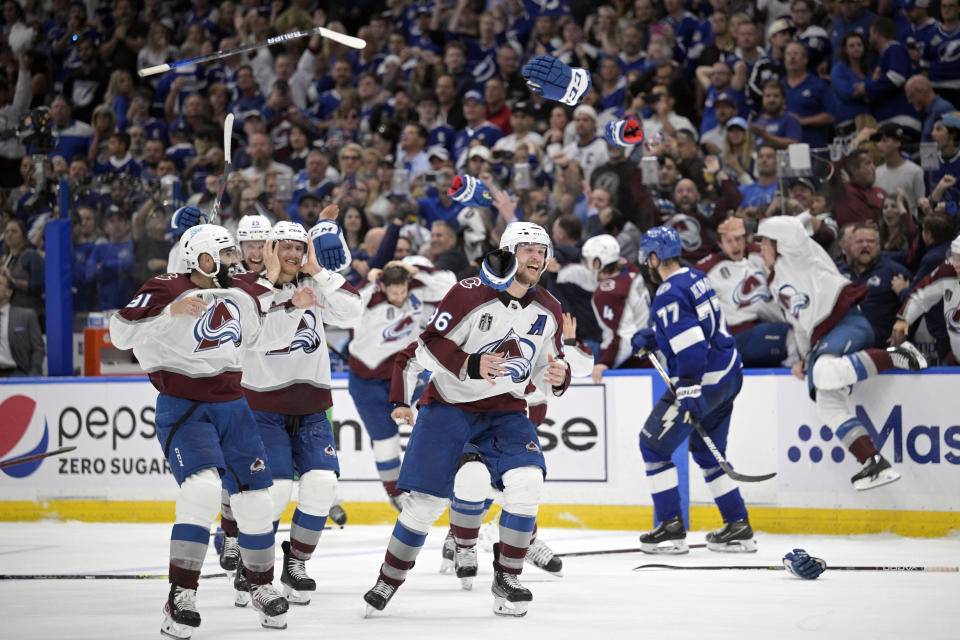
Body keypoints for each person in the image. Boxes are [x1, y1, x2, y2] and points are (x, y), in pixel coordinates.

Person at [109, 225, 318, 637]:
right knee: (202, 490)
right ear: (197, 257)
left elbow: (260, 338)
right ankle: (180, 595)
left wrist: (293, 309)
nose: (232, 261)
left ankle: (260, 586)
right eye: (222, 255)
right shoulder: (166, 287)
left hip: (233, 407)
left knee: (258, 500)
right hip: (185, 407)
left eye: (230, 255)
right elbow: (120, 333)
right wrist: (167, 313)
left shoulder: (240, 292)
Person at [363, 222, 571, 618]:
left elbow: (547, 367)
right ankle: (388, 580)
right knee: (424, 505)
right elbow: (427, 346)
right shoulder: (468, 293)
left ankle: (507, 577)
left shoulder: (551, 308)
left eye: (541, 251)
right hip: (449, 406)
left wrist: (560, 377)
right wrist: (470, 363)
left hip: (505, 410)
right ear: (507, 252)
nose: (535, 257)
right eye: (526, 249)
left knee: (528, 482)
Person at [220, 220, 362, 607]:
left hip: (312, 407)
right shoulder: (244, 288)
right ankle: (252, 566)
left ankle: (295, 563)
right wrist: (282, 296)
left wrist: (318, 271)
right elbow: (256, 337)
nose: (293, 254)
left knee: (321, 486)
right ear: (269, 248)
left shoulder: (313, 282)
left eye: (300, 248)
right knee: (276, 492)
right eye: (285, 246)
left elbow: (353, 312)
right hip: (262, 408)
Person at [754, 215, 928, 491]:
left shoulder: (799, 253)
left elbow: (793, 229)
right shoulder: (776, 283)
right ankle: (873, 462)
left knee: (823, 373)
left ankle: (896, 356)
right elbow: (799, 326)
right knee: (827, 405)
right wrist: (804, 358)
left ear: (777, 242)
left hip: (846, 322)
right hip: (822, 340)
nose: (759, 248)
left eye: (762, 242)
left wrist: (764, 223)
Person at [630, 226, 755, 554]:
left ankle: (671, 528)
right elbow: (696, 326)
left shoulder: (667, 293)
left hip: (702, 381)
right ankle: (738, 525)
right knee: (705, 451)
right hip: (729, 376)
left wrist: (688, 391)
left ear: (655, 257)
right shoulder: (696, 277)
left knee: (652, 447)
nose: (647, 267)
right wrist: (656, 336)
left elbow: (691, 347)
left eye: (648, 261)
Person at [347, 260, 457, 508]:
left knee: (439, 418)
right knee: (386, 440)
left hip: (405, 374)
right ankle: (395, 494)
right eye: (393, 292)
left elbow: (449, 284)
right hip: (367, 381)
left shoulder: (415, 289)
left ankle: (446, 478)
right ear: (382, 286)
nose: (399, 297)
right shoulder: (369, 298)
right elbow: (345, 307)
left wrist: (420, 271)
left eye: (402, 290)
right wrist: (368, 279)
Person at [695, 218, 794, 367]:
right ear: (720, 245)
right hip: (738, 337)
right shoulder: (710, 269)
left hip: (765, 328)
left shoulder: (758, 256)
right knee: (793, 335)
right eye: (729, 241)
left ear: (745, 240)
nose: (735, 245)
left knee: (802, 327)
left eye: (738, 239)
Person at [581, 234, 652, 383]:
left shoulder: (607, 293)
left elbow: (624, 337)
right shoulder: (629, 268)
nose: (587, 266)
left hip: (631, 364)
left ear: (598, 262)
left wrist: (604, 363)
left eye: (589, 260)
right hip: (647, 355)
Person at [839, 224, 912, 348]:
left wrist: (904, 329)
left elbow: (914, 307)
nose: (865, 245)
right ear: (851, 245)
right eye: (859, 241)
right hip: (847, 348)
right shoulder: (838, 274)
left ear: (879, 245)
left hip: (885, 350)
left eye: (870, 241)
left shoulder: (895, 272)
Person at [891, 233, 960, 365]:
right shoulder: (947, 269)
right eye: (956, 258)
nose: (956, 266)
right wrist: (904, 320)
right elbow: (921, 297)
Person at [0, 273, 44, 376]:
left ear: (8, 292)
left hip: (17, 373)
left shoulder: (26, 316)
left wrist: (33, 374)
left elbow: (38, 348)